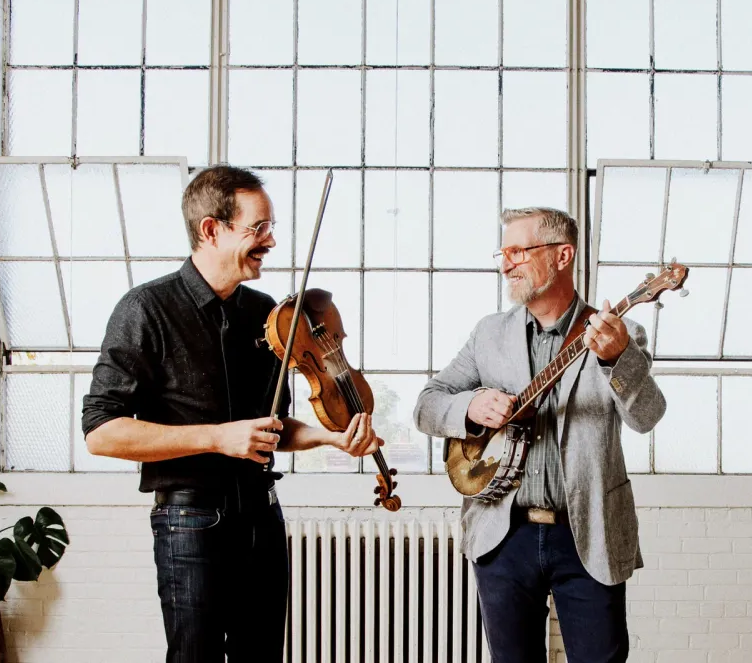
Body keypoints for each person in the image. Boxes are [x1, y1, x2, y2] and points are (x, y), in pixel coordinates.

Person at [82, 165, 382, 662]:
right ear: (211, 229)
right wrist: (218, 438)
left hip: (262, 514)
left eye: (271, 228)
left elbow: (272, 430)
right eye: (257, 228)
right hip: (190, 518)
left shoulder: (266, 314)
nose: (270, 241)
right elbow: (101, 432)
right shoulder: (146, 309)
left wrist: (331, 438)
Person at [414, 206, 666, 663]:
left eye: (518, 251)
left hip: (588, 533)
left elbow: (647, 416)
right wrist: (468, 406)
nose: (506, 263)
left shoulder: (621, 332)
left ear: (562, 255)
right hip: (501, 535)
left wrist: (616, 360)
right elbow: (428, 404)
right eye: (503, 252)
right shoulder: (488, 334)